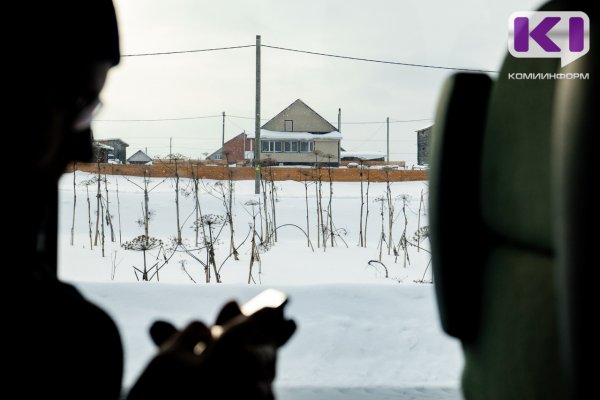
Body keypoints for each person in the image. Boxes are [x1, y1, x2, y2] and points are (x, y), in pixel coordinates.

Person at [16, 1, 296, 399]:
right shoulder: (70, 339)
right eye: (74, 105)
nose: (85, 148)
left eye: (89, 110)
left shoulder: (67, 327)